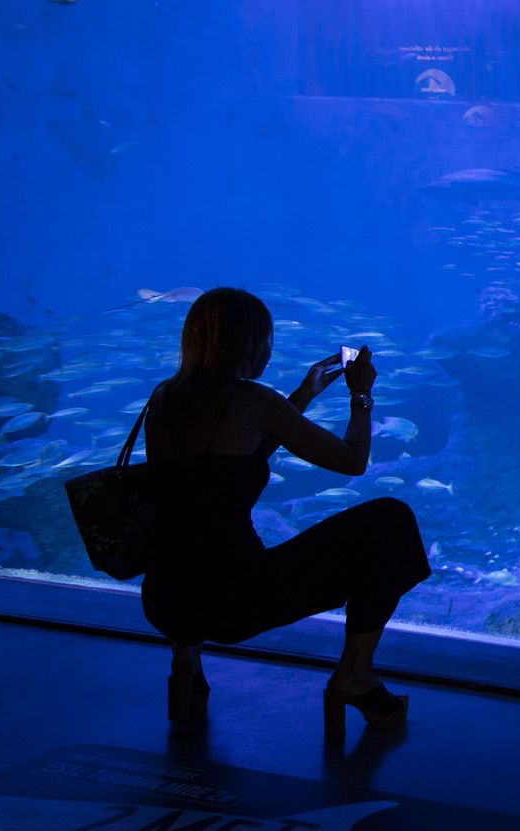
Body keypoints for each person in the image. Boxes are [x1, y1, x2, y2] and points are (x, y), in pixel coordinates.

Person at [140, 287, 430, 735]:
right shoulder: (255, 401)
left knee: (190, 531)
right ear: (251, 344)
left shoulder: (165, 396)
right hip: (234, 599)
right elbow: (352, 461)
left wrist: (303, 395)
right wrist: (361, 394)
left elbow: (225, 464)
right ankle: (355, 676)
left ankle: (186, 663)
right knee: (391, 520)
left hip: (167, 597)